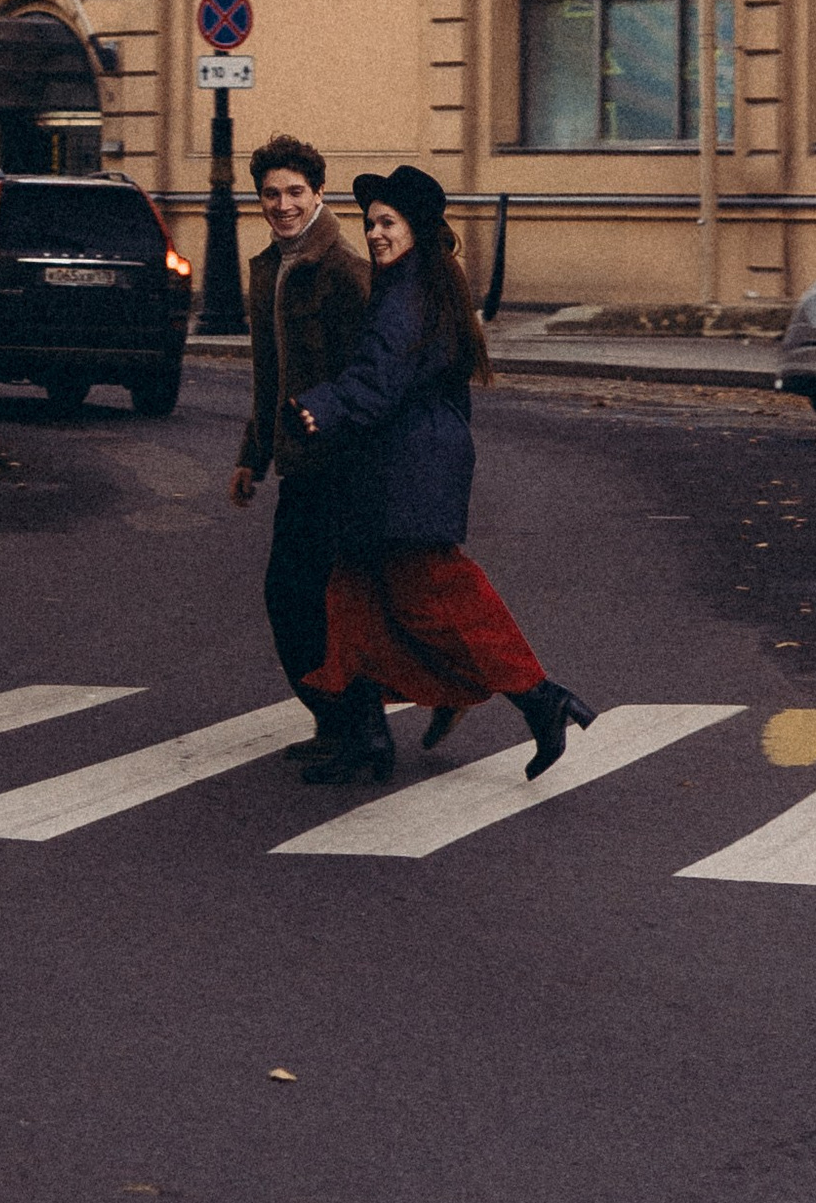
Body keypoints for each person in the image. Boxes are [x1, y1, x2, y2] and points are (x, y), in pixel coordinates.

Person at [292, 163, 594, 788]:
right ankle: (370, 738)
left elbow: (379, 379)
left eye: (388, 223)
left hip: (408, 464)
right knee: (353, 595)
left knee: (436, 594)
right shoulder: (420, 280)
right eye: (372, 223)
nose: (375, 234)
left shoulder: (409, 291)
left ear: (418, 229)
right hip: (399, 461)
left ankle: (540, 698)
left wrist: (320, 408)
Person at [229, 134, 374, 756]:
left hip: (341, 464)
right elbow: (269, 374)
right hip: (298, 465)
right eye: (270, 194)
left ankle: (354, 729)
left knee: (314, 597)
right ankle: (336, 721)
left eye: (294, 192)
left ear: (319, 193)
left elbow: (369, 377)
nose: (282, 205)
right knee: (299, 597)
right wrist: (250, 456)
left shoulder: (344, 270)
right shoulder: (269, 268)